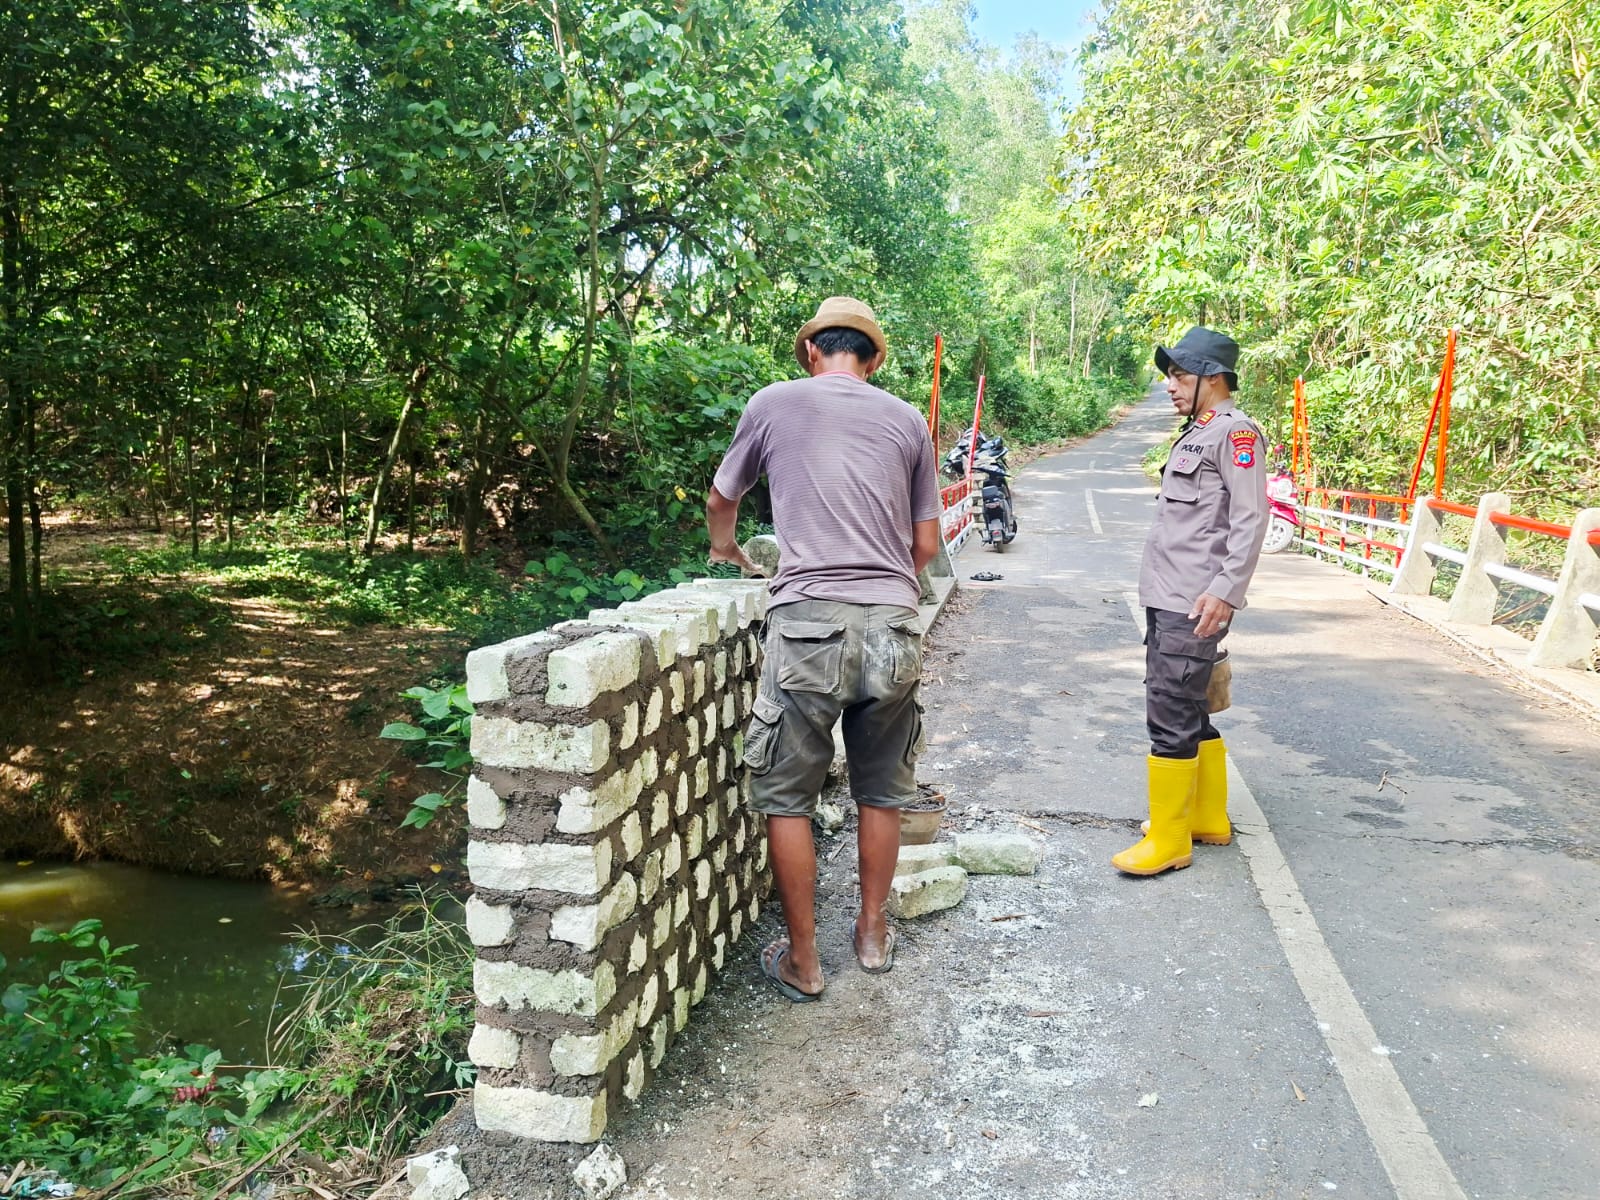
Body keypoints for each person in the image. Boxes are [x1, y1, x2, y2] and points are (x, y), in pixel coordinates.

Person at [706, 296, 943, 999]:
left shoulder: (774, 402)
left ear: (813, 351)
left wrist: (728, 550)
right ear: (871, 360)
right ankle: (871, 938)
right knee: (881, 789)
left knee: (788, 796)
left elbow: (723, 498)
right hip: (895, 623)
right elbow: (926, 546)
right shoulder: (906, 420)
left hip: (808, 621)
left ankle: (805, 964)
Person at [1113, 327, 1268, 877]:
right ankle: (1205, 818)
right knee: (1190, 701)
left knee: (1171, 708)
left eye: (1179, 375)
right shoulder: (1199, 431)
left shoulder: (1235, 434)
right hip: (1171, 593)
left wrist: (1226, 590)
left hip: (1194, 598)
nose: (1171, 386)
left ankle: (1170, 840)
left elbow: (1252, 517)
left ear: (1211, 377)